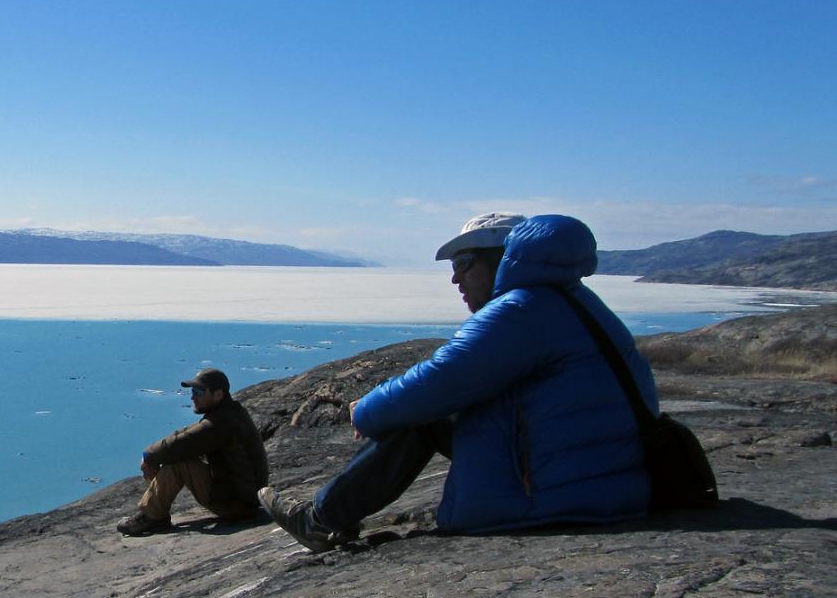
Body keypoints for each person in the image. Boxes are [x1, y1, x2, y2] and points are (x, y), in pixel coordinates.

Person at [260, 212, 659, 551]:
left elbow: (433, 384)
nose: (456, 279)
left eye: (463, 263)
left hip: (554, 492)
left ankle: (321, 519)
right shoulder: (574, 300)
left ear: (502, 261)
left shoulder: (520, 312)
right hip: (598, 477)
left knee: (419, 416)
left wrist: (364, 410)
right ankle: (327, 515)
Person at [117, 367, 270, 536]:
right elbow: (190, 434)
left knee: (179, 463)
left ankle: (152, 516)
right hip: (244, 499)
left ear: (218, 395)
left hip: (237, 504)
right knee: (179, 454)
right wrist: (151, 455)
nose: (193, 397)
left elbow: (183, 443)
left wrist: (149, 456)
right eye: (193, 391)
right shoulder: (229, 413)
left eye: (198, 392)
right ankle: (153, 514)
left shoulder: (221, 423)